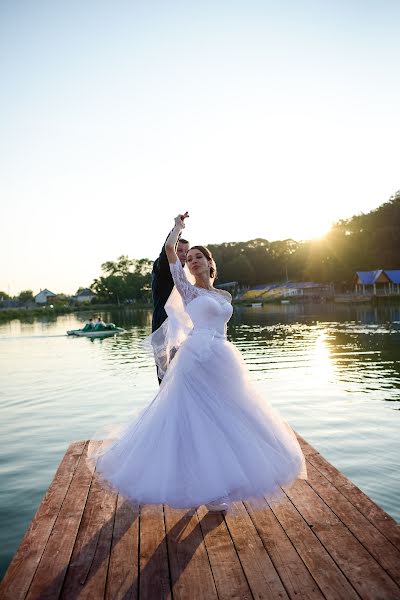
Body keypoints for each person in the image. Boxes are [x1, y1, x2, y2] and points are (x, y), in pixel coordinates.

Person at [90, 213, 307, 512]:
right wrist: (177, 229)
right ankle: (202, 487)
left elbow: (223, 328)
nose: (191, 261)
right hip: (196, 358)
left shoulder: (224, 294)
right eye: (188, 258)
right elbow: (169, 253)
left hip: (222, 357)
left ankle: (222, 481)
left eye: (197, 257)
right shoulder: (187, 289)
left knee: (228, 416)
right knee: (193, 418)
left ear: (209, 263)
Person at [151, 214, 189, 382]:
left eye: (186, 252)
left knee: (185, 376)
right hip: (164, 327)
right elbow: (166, 251)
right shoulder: (163, 268)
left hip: (183, 329)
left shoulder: (187, 273)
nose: (183, 254)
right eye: (179, 250)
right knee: (167, 378)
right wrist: (177, 229)